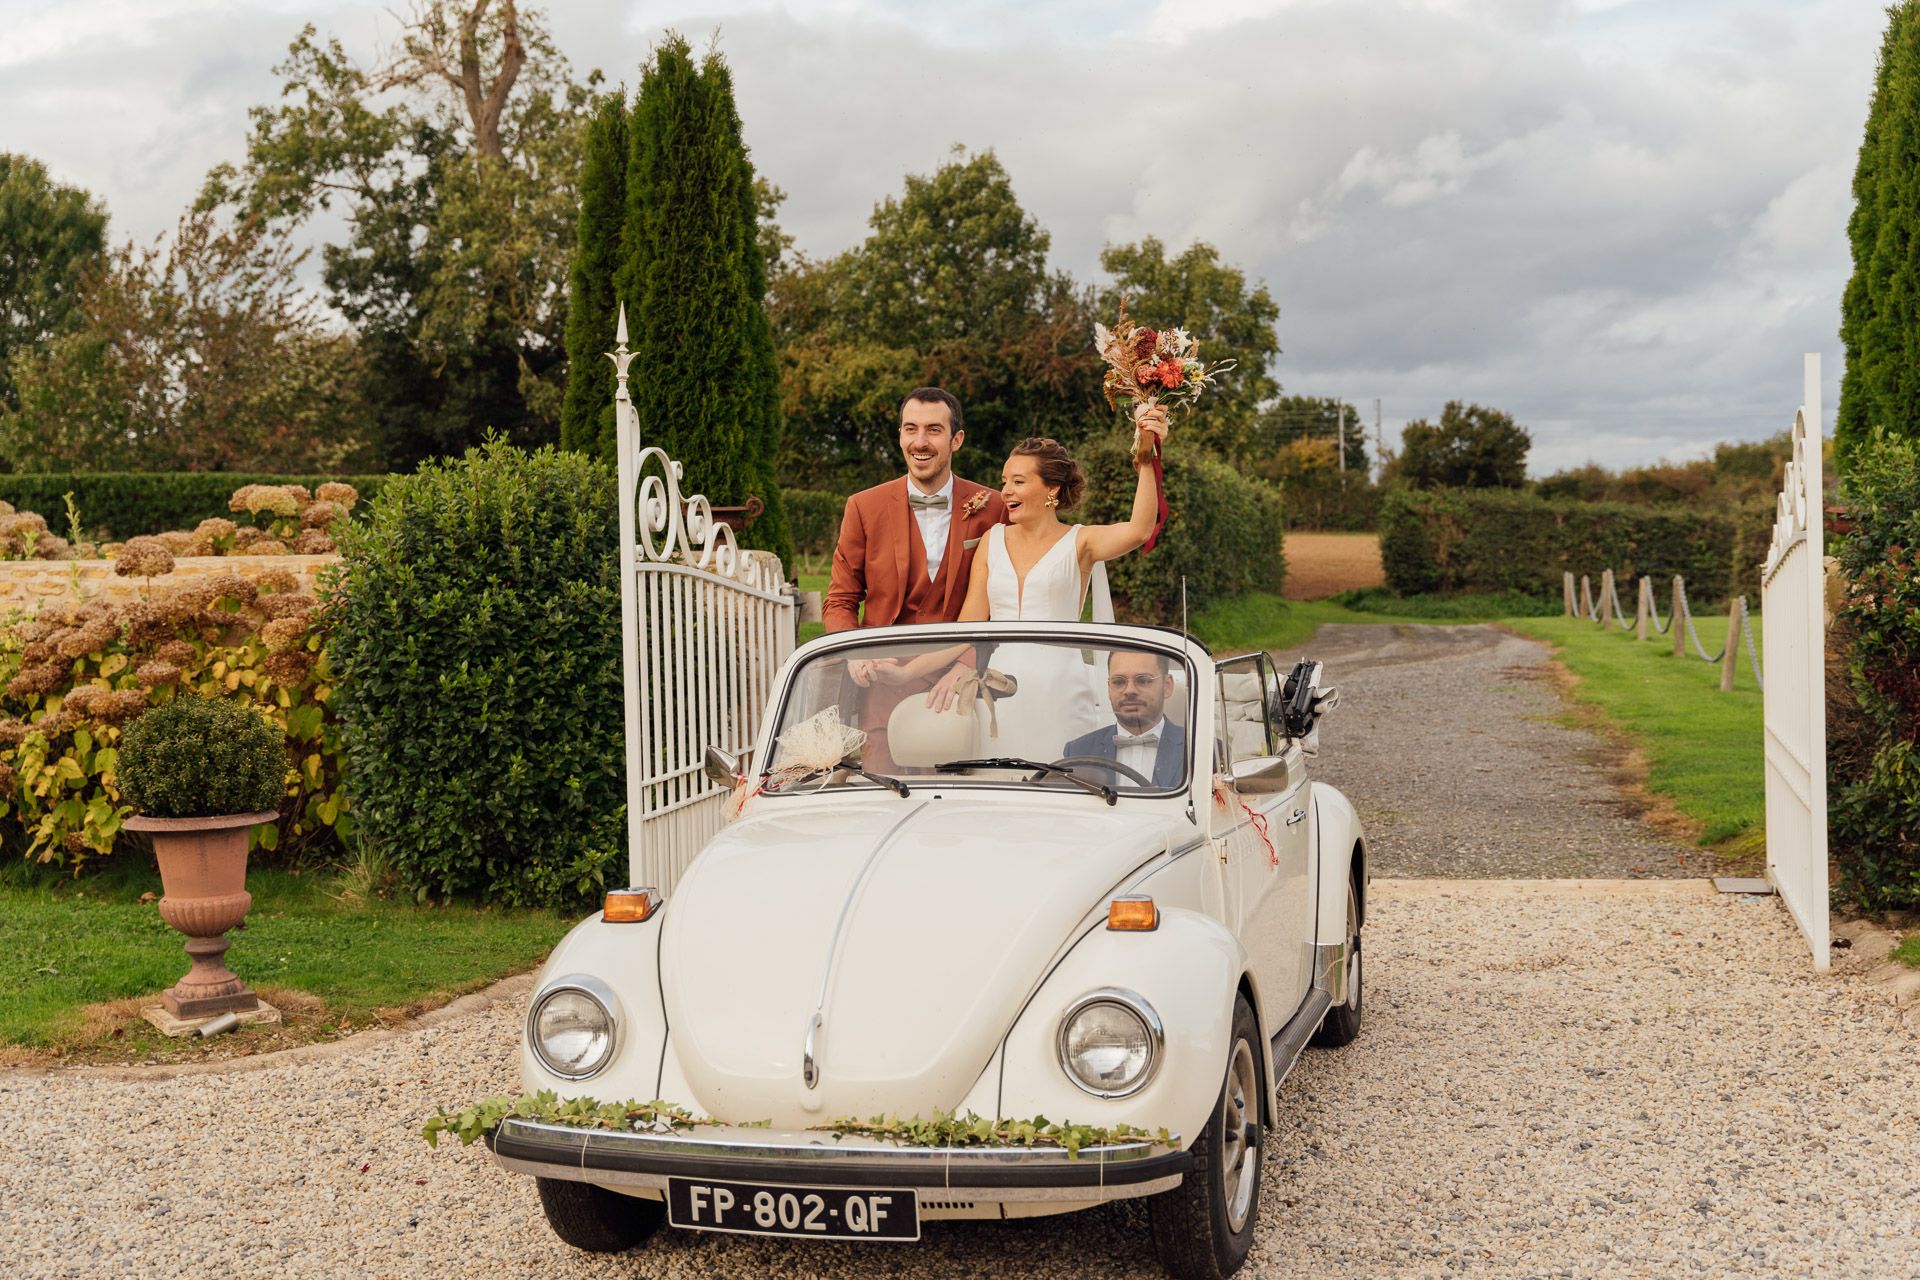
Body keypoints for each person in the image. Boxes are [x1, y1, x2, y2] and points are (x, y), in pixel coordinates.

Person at [871, 408, 1170, 758]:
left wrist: (1147, 458)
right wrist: (905, 674)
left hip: (1061, 693)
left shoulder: (1081, 543)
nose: (1005, 491)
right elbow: (965, 631)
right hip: (998, 692)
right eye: (1004, 481)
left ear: (1051, 490)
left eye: (1018, 482)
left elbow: (1139, 529)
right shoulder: (991, 541)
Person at [824, 388, 1007, 770]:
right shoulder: (863, 506)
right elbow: (841, 600)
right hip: (882, 680)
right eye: (911, 429)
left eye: (933, 430)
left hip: (962, 680)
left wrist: (968, 663)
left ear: (956, 439)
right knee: (885, 793)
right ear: (900, 435)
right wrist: (858, 652)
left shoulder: (993, 507)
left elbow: (1005, 602)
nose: (920, 442)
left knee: (961, 797)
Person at [1061, 649, 1187, 788]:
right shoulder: (1078, 752)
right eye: (1119, 682)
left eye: (1143, 680)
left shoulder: (1201, 749)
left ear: (1167, 685)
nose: (1129, 690)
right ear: (1108, 688)